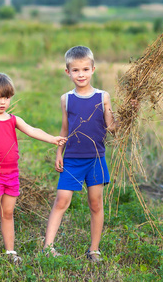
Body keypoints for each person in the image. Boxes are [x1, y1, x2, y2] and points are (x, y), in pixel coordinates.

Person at [0, 72, 67, 264]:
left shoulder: (13, 119)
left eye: (6, 97)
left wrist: (52, 139)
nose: (2, 102)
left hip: (11, 175)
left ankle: (10, 251)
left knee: (8, 213)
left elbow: (33, 130)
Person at [43, 46, 118, 262]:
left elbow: (111, 127)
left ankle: (94, 250)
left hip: (96, 159)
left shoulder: (103, 96)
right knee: (61, 200)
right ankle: (48, 247)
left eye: (85, 69)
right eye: (76, 70)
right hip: (73, 160)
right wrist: (60, 152)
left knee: (95, 203)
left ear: (93, 69)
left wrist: (127, 115)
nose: (81, 74)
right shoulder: (66, 99)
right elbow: (65, 128)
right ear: (68, 72)